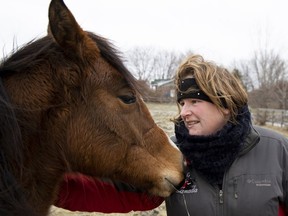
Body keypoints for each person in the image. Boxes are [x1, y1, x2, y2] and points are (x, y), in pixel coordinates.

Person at [55, 54, 288, 216]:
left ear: (225, 105)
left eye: (195, 101)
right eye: (182, 103)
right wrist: (43, 180)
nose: (184, 112)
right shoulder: (172, 154)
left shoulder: (276, 149)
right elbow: (111, 192)